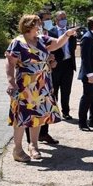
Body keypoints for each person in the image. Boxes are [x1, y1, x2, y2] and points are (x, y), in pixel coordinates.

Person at [5, 14, 77, 161]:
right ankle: (17, 150)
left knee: (37, 117)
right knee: (21, 117)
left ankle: (34, 146)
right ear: (28, 25)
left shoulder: (42, 39)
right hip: (24, 85)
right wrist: (11, 82)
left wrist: (67, 34)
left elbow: (57, 43)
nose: (40, 27)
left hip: (41, 84)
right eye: (37, 24)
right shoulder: (17, 42)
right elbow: (10, 63)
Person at [25, 10, 60, 145]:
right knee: (32, 107)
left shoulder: (47, 34)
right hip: (32, 79)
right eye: (46, 19)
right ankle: (31, 140)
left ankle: (43, 133)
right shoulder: (29, 37)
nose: (49, 21)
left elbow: (50, 49)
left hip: (46, 75)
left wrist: (51, 60)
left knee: (46, 105)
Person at [49, 10, 77, 120]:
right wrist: (51, 61)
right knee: (54, 90)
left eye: (65, 18)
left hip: (68, 64)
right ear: (56, 20)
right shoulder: (51, 31)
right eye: (61, 18)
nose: (64, 20)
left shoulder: (71, 32)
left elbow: (73, 47)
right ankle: (53, 112)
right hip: (56, 65)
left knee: (66, 90)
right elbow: (49, 48)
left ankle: (66, 112)